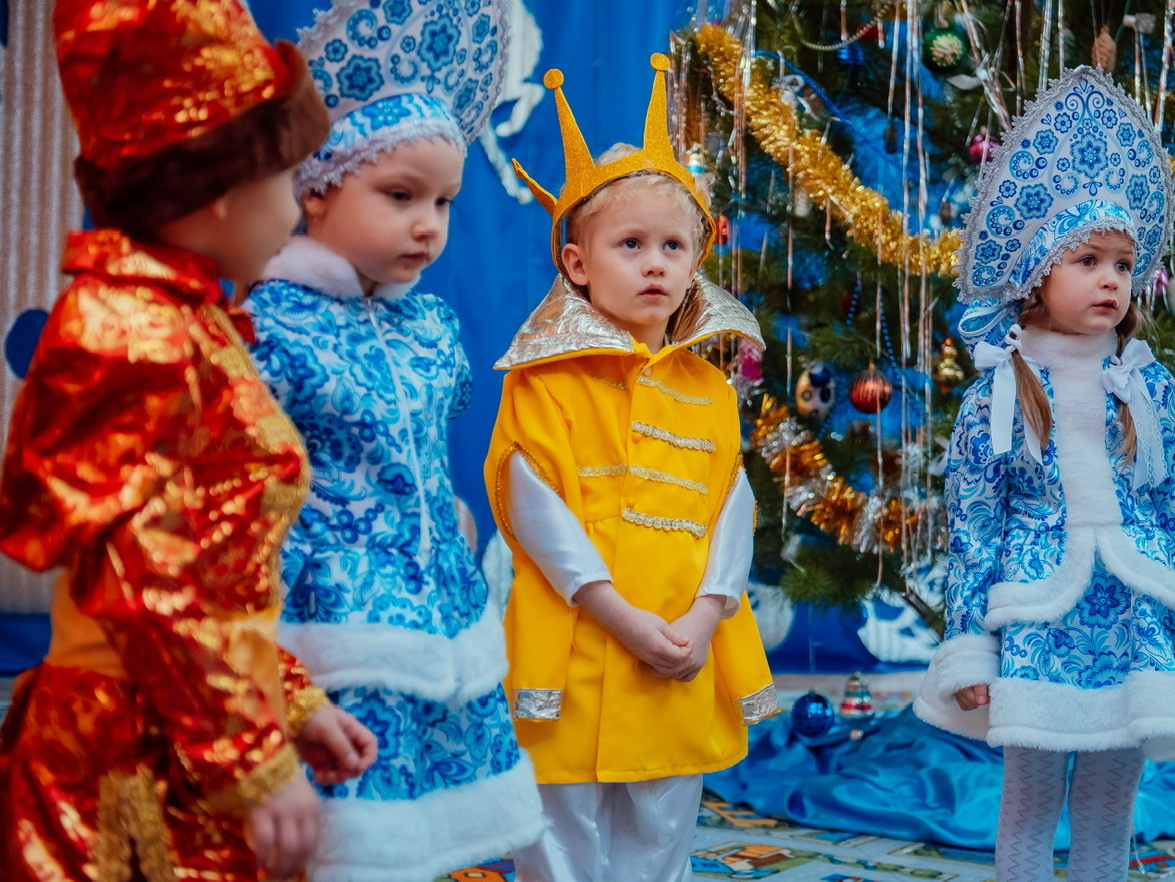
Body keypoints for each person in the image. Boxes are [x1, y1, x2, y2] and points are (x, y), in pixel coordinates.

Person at [0, 2, 379, 880]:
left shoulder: (189, 320)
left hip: (181, 733)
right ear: (222, 188)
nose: (297, 209)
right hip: (127, 758)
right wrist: (248, 752)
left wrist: (284, 698)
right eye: (288, 179)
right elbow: (145, 579)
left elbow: (214, 570)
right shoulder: (130, 331)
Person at [913, 66, 1175, 881]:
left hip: (1136, 610)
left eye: (1124, 264)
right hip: (1039, 618)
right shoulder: (997, 393)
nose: (1111, 279)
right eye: (1088, 260)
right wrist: (968, 643)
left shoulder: (1147, 383)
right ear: (1036, 274)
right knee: (1030, 801)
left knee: (1110, 802)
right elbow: (974, 528)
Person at [242, 1, 544, 879]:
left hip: (437, 602)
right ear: (319, 188)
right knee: (349, 820)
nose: (428, 225)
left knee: (427, 821)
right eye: (401, 195)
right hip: (332, 615)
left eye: (444, 202)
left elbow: (424, 451)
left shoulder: (432, 329)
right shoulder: (271, 325)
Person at [485, 54, 781, 882]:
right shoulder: (542, 384)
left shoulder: (712, 388)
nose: (656, 263)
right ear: (578, 264)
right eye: (630, 244)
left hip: (680, 641)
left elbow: (732, 507)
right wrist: (615, 614)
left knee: (662, 816)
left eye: (673, 246)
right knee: (563, 810)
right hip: (578, 639)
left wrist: (708, 614)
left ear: (696, 260)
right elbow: (534, 505)